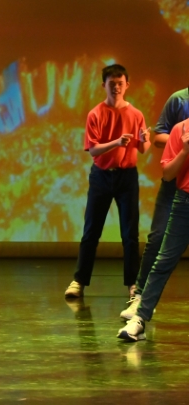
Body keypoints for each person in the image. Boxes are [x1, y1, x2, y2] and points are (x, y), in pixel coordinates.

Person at [64, 64, 150, 298]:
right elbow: (93, 150)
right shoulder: (96, 113)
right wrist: (117, 142)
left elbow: (143, 148)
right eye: (112, 84)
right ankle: (79, 281)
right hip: (101, 176)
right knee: (91, 231)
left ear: (127, 85)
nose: (116, 88)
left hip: (127, 176)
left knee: (130, 234)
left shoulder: (136, 114)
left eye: (120, 83)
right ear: (104, 85)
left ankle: (133, 284)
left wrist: (145, 139)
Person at [120, 87, 189, 319]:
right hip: (175, 182)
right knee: (158, 238)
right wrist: (181, 141)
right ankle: (139, 297)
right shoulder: (179, 100)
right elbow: (159, 136)